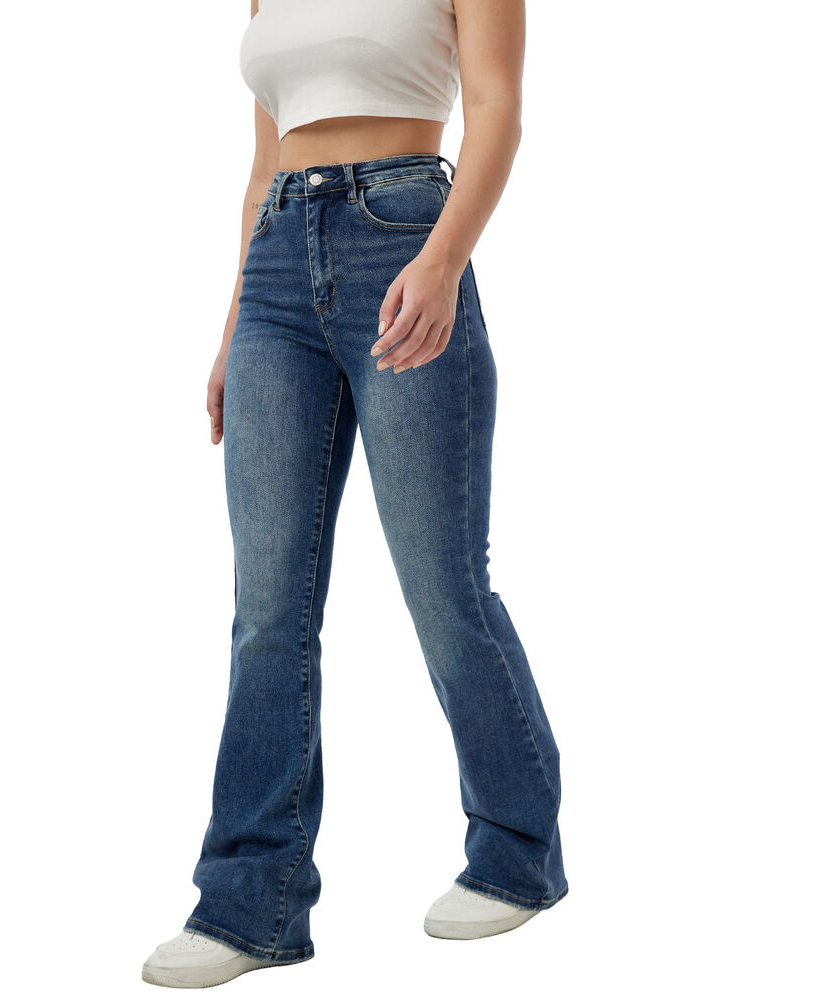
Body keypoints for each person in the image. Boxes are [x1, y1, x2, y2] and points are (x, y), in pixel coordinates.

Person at [142, 0, 567, 988]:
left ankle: (517, 854)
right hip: (277, 267)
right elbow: (264, 164)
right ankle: (250, 904)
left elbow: (496, 108)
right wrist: (234, 328)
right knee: (267, 611)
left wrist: (444, 260)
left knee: (444, 587)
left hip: (402, 233)